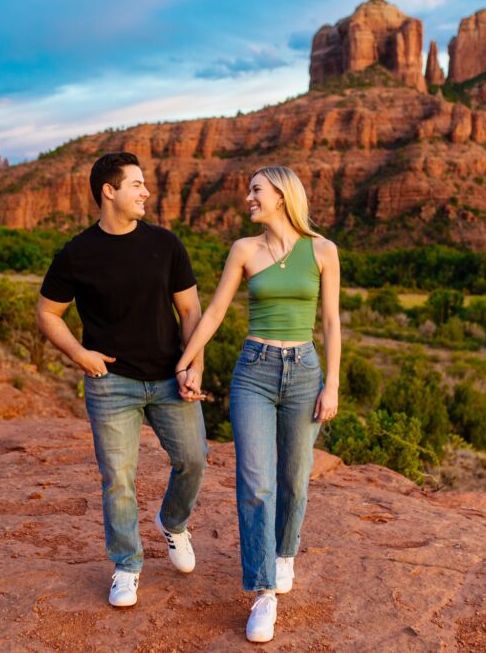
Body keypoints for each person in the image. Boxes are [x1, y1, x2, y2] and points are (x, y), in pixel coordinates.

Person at [174, 165, 340, 642]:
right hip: (254, 372)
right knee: (254, 483)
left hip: (306, 372)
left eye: (255, 190)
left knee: (294, 477)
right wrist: (186, 362)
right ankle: (263, 592)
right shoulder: (243, 250)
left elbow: (330, 322)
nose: (247, 197)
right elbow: (216, 313)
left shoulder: (323, 251)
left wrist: (332, 385)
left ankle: (284, 552)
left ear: (282, 197)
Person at [36, 152, 208, 608]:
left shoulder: (166, 244)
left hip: (171, 379)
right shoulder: (77, 253)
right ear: (108, 191)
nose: (146, 192)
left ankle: (172, 523)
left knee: (193, 459)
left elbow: (190, 311)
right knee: (118, 478)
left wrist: (195, 365)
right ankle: (127, 566)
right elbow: (47, 313)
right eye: (136, 184)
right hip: (111, 384)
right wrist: (78, 353)